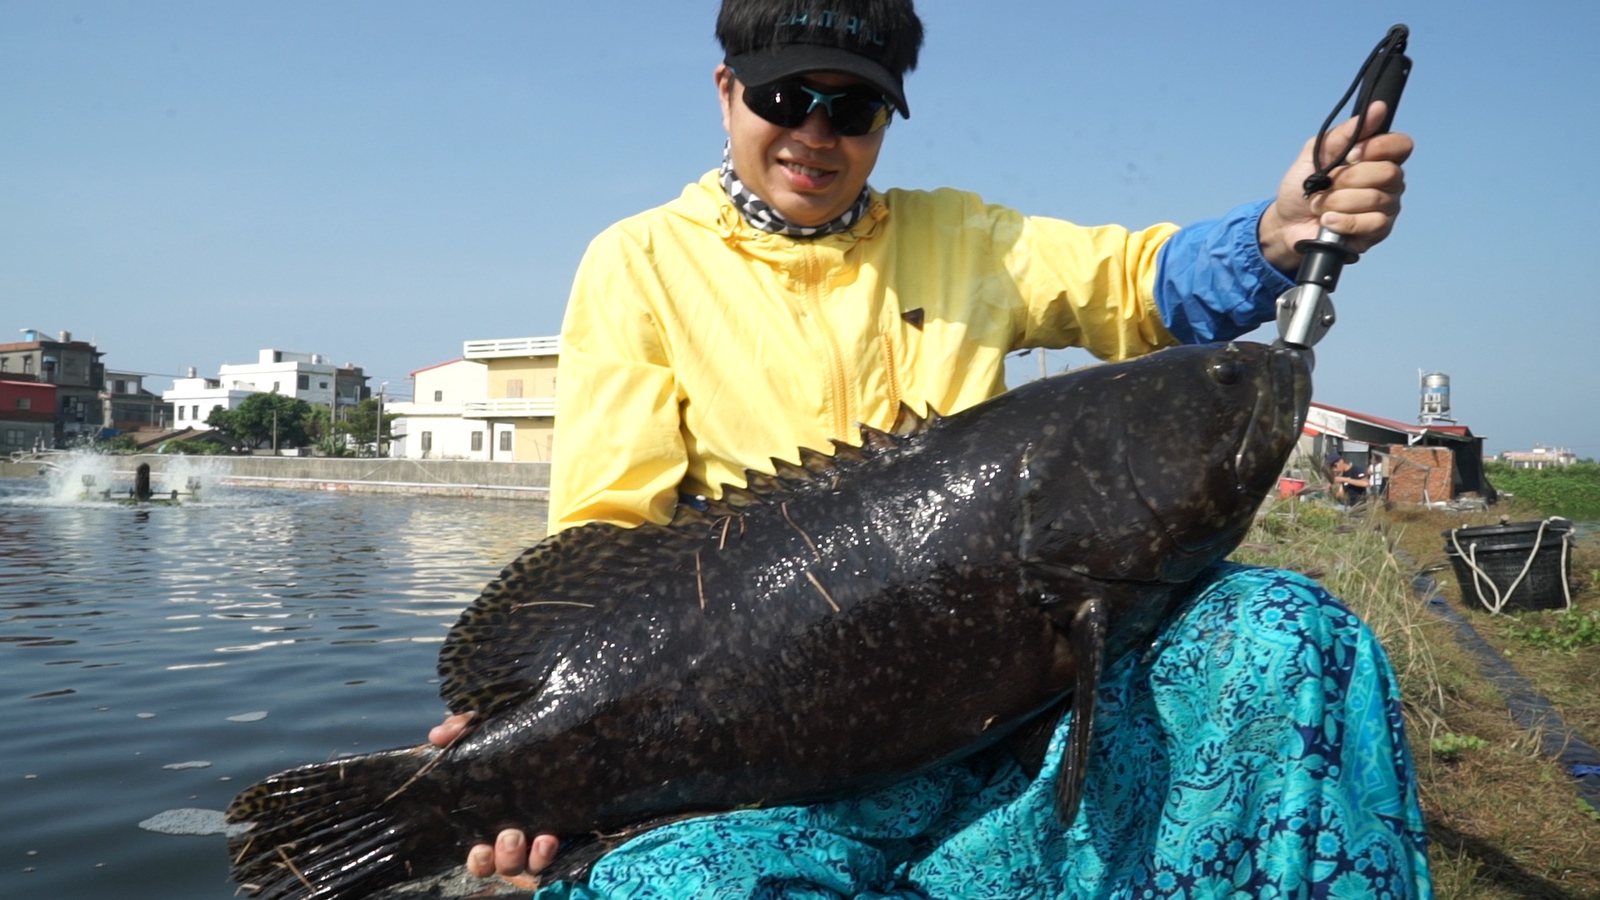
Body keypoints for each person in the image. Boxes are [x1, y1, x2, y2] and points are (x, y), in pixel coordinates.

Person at [430, 1, 1429, 896]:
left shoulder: (965, 238)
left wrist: (1273, 231)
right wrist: (531, 729)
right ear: (727, 88)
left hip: (999, 707)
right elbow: (609, 530)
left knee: (1288, 627)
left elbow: (1134, 283)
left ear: (887, 118)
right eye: (787, 96)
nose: (815, 133)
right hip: (780, 744)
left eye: (853, 110)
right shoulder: (636, 263)